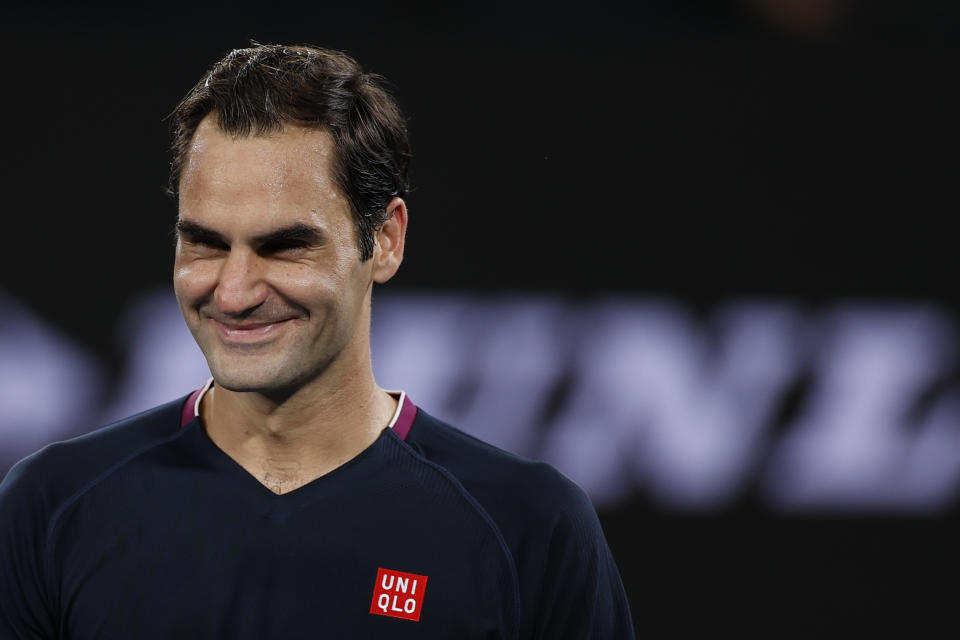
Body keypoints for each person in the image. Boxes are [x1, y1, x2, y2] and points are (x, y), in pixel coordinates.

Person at [0, 44, 635, 639]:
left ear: (385, 240)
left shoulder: (529, 527)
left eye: (284, 246)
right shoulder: (49, 509)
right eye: (207, 243)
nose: (235, 291)